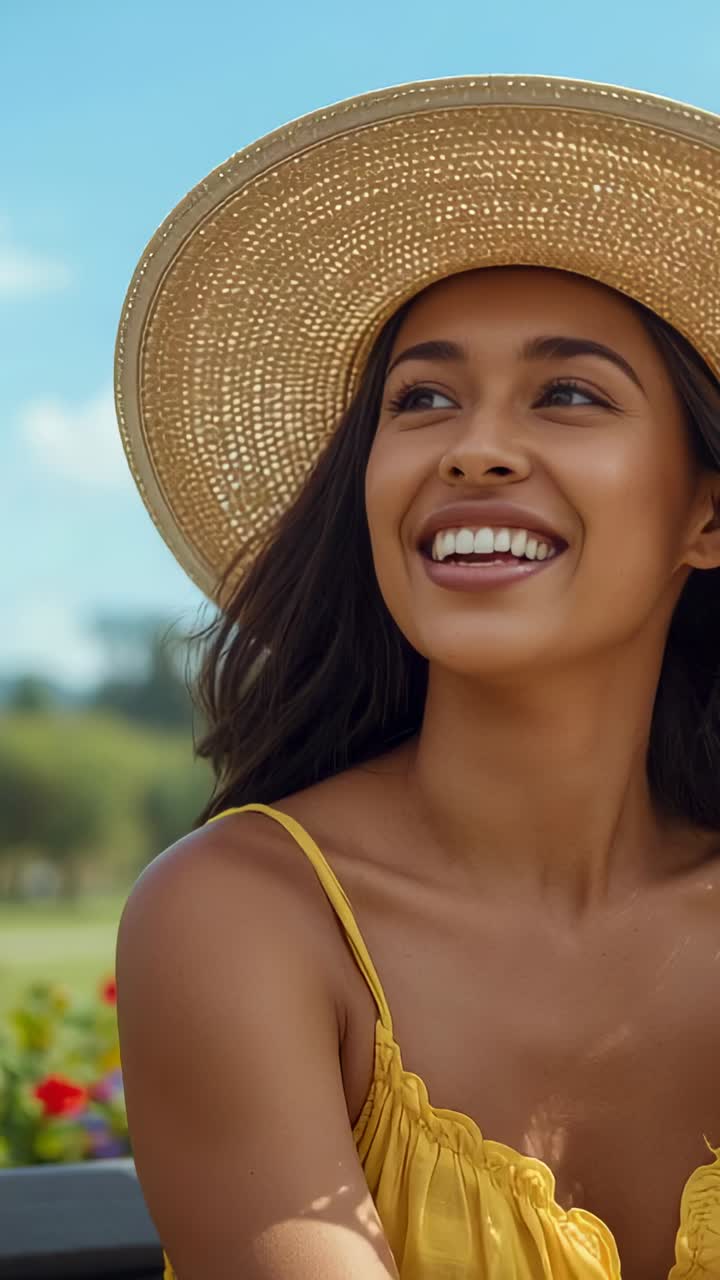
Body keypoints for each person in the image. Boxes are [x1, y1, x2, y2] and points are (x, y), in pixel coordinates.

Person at [114, 75, 720, 1279]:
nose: (474, 447)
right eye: (424, 398)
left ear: (706, 513)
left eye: (568, 393)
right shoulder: (243, 917)